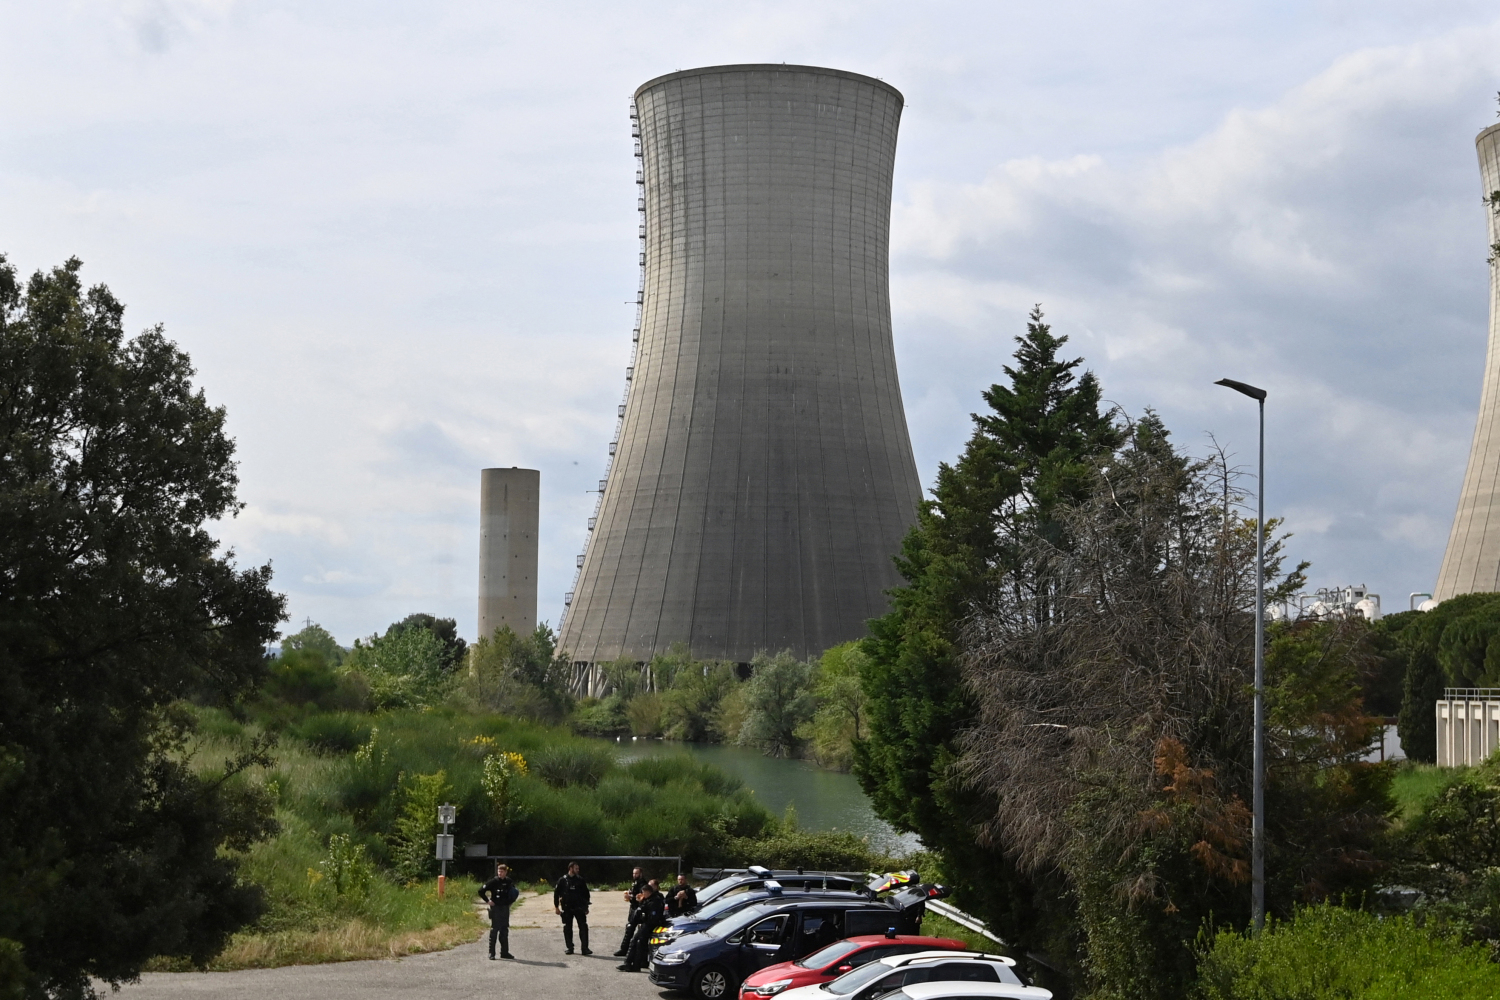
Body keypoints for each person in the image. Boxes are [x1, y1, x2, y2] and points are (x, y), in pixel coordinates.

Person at [619, 879, 666, 972]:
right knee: (638, 943)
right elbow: (637, 914)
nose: (643, 894)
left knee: (637, 942)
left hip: (649, 925)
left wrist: (641, 906)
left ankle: (631, 964)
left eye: (644, 892)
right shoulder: (647, 900)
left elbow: (651, 916)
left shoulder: (655, 900)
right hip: (645, 924)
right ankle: (631, 963)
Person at [479, 862, 519, 960]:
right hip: (496, 908)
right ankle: (491, 953)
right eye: (499, 871)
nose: (500, 873)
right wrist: (488, 901)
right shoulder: (493, 881)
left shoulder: (509, 881)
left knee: (504, 930)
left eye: (502, 871)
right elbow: (481, 891)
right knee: (494, 930)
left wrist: (510, 903)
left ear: (506, 872)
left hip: (505, 908)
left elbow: (514, 893)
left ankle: (504, 952)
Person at [553, 861, 592, 955]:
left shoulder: (580, 880)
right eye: (576, 868)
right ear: (570, 868)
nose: (578, 870)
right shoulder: (563, 880)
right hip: (567, 908)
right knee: (567, 928)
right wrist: (556, 907)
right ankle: (570, 947)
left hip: (579, 907)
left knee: (583, 927)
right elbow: (556, 894)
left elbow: (586, 894)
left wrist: (586, 907)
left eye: (578, 868)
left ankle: (585, 948)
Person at [614, 866, 649, 957]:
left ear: (641, 874)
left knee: (639, 931)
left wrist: (631, 897)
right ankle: (624, 949)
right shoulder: (635, 883)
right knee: (629, 928)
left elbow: (642, 897)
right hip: (633, 908)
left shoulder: (644, 884)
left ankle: (637, 952)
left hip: (640, 909)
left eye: (636, 873)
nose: (634, 875)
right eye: (633, 873)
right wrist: (629, 895)